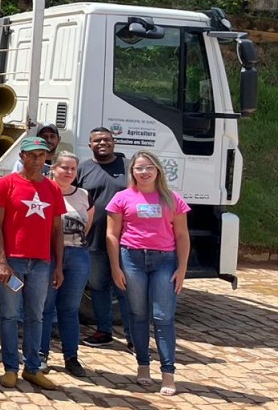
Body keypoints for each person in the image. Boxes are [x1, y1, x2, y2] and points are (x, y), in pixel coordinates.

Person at [106, 151, 190, 396]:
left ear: (158, 170)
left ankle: (168, 373)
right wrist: (115, 267)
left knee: (163, 318)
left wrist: (182, 267)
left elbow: (182, 235)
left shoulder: (172, 199)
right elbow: (112, 234)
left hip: (164, 260)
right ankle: (143, 365)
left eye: (149, 167)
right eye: (139, 168)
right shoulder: (121, 198)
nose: (144, 172)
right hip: (131, 258)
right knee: (138, 315)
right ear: (132, 171)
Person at [0, 135, 65, 390]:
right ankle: (10, 367)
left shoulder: (53, 188)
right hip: (13, 263)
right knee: (9, 316)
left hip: (41, 263)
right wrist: (1, 260)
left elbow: (57, 230)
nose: (37, 159)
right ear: (21, 156)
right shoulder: (5, 184)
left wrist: (58, 265)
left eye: (41, 155)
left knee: (36, 316)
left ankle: (32, 368)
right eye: (32, 155)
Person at [77, 127, 130, 348]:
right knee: (98, 287)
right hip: (94, 239)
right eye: (97, 140)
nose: (102, 143)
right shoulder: (83, 169)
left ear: (114, 142)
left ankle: (133, 335)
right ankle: (103, 331)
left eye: (106, 139)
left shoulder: (128, 167)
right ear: (90, 145)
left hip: (125, 240)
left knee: (126, 288)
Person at [42, 151, 91, 378]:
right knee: (45, 307)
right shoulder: (44, 191)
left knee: (69, 309)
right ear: (53, 168)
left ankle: (71, 356)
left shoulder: (83, 194)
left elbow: (86, 226)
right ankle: (40, 355)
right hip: (49, 255)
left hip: (78, 255)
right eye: (64, 168)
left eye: (73, 169)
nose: (69, 172)